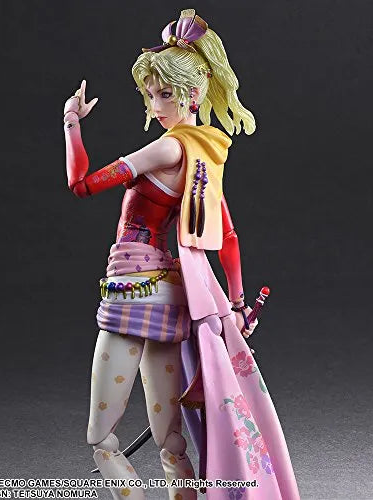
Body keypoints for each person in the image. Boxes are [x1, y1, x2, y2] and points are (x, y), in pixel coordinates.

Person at [63, 9, 300, 500]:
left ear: (193, 93)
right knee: (171, 442)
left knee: (102, 440)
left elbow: (82, 184)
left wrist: (71, 124)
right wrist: (236, 302)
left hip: (132, 290)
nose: (156, 105)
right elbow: (227, 235)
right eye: (150, 94)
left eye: (165, 94)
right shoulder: (206, 155)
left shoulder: (165, 149)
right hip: (171, 298)